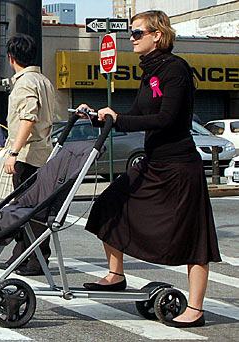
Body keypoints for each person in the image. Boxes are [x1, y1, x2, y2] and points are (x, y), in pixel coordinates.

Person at [77, 10, 221, 328]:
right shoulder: (150, 72)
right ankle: (116, 275)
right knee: (107, 203)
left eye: (137, 33)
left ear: (157, 34)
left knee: (193, 237)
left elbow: (167, 118)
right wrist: (100, 117)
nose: (131, 38)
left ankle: (195, 309)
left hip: (180, 167)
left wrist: (119, 118)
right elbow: (139, 112)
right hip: (154, 163)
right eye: (131, 33)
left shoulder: (175, 70)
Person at [0, 34, 56, 276]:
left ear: (11, 58)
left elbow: (27, 119)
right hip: (45, 153)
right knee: (35, 209)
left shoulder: (24, 83)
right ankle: (27, 257)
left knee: (24, 208)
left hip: (28, 156)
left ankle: (29, 259)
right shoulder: (44, 81)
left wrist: (13, 152)